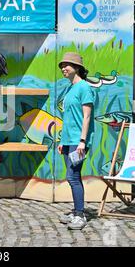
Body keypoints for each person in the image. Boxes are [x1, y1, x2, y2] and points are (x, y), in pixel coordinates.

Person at [57, 52, 95, 230]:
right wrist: (62, 140)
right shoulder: (70, 88)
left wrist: (82, 141)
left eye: (67, 65)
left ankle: (80, 215)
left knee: (72, 176)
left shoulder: (84, 88)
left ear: (77, 68)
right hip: (68, 140)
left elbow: (86, 117)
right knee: (72, 176)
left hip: (78, 141)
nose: (64, 68)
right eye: (62, 65)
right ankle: (76, 211)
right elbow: (70, 117)